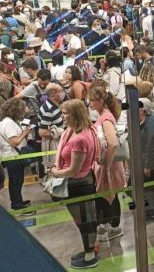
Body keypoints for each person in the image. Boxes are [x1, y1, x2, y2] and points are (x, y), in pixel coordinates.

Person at [48, 99, 100, 269]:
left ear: (74, 115)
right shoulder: (84, 130)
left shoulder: (79, 139)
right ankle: (90, 249)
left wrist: (54, 172)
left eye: (65, 113)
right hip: (83, 180)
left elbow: (72, 170)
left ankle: (90, 254)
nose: (62, 117)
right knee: (86, 219)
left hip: (78, 183)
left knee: (84, 220)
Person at [88, 86, 126, 242]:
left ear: (100, 101)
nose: (89, 103)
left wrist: (107, 165)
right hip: (103, 163)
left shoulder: (106, 117)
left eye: (92, 100)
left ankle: (114, 226)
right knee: (104, 194)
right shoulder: (102, 116)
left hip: (108, 164)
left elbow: (113, 143)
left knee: (111, 194)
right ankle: (105, 222)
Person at [0, 98, 36, 211]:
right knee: (16, 181)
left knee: (17, 180)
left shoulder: (9, 121)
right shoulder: (8, 123)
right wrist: (25, 132)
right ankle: (16, 204)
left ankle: (18, 201)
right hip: (12, 156)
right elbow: (14, 142)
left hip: (13, 156)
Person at [38, 83, 65, 169]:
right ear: (53, 95)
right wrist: (61, 132)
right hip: (52, 144)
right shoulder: (48, 110)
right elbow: (42, 132)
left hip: (58, 141)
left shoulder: (55, 104)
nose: (62, 93)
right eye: (60, 91)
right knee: (55, 168)